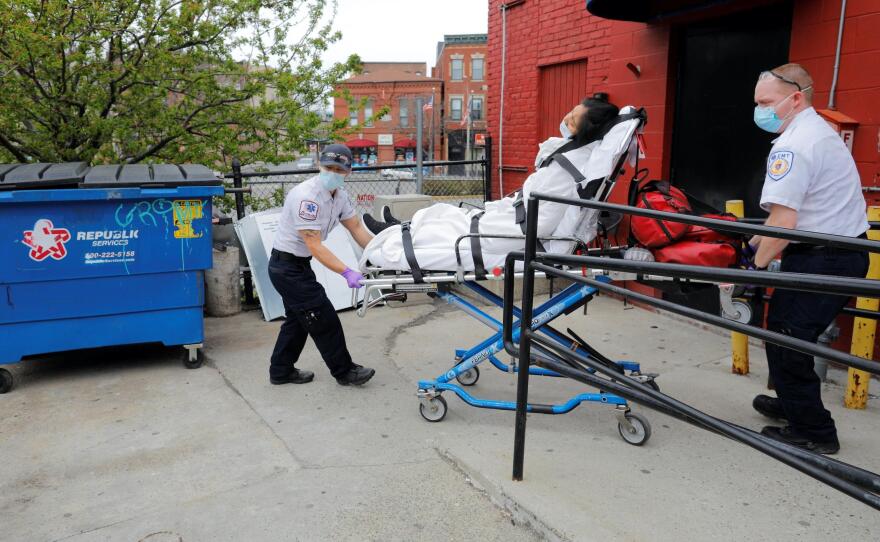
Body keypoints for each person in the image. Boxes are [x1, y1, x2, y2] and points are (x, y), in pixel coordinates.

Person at [360, 97, 633, 272]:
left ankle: (394, 238)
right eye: (570, 113)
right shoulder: (574, 157)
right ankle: (400, 227)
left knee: (448, 227)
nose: (565, 119)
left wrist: (500, 219)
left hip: (516, 233)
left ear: (587, 130)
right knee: (449, 214)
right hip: (516, 221)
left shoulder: (570, 167)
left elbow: (542, 221)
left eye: (572, 120)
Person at [749, 64, 869, 454]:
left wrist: (752, 268)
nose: (760, 111)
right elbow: (783, 215)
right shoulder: (818, 132)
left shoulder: (794, 146)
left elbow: (784, 222)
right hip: (836, 252)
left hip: (825, 257)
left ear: (795, 98)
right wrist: (752, 245)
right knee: (782, 332)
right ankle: (792, 404)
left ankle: (815, 432)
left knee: (788, 340)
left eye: (766, 102)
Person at [268, 144, 377, 386]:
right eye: (328, 168)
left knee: (298, 321)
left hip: (297, 266)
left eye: (339, 169)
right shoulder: (306, 197)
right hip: (286, 268)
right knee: (323, 317)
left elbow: (356, 228)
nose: (333, 173)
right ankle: (345, 372)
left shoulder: (340, 196)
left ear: (348, 171)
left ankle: (280, 370)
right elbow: (314, 245)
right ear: (319, 166)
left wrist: (380, 254)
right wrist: (346, 272)